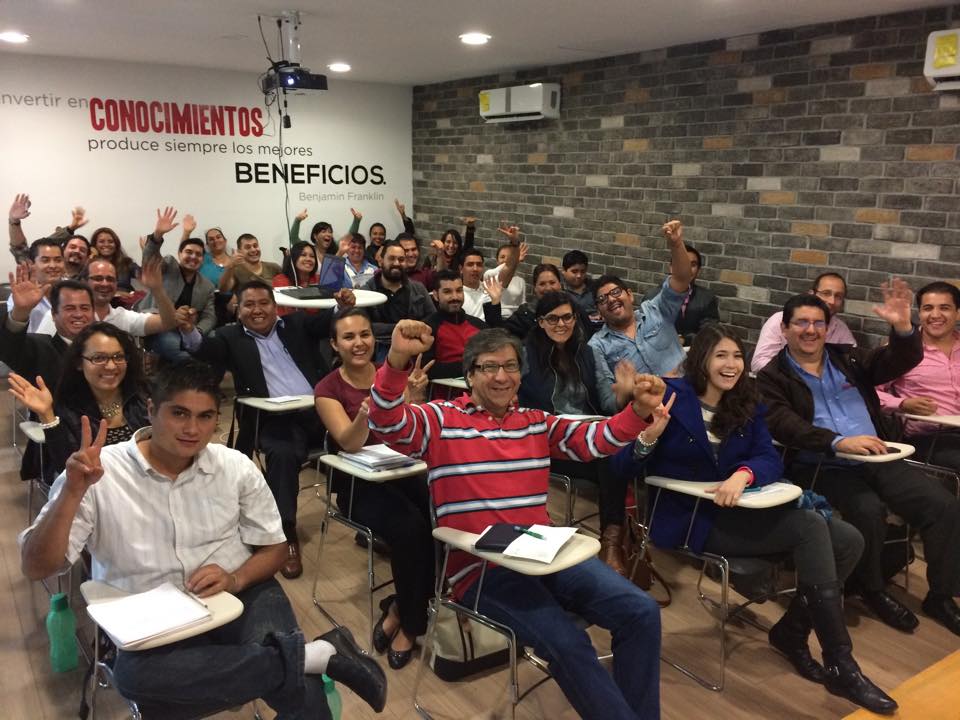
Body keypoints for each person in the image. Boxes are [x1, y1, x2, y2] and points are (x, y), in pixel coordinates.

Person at [18, 361, 387, 718]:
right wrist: (71, 494)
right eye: (179, 413)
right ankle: (316, 655)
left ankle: (292, 663)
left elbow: (275, 548)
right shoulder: (99, 470)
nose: (192, 429)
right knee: (135, 676)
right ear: (151, 410)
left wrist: (236, 578)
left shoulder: (235, 466)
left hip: (239, 592)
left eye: (205, 416)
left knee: (300, 690)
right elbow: (37, 567)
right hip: (146, 611)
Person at [368, 323, 663, 720]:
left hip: (544, 554)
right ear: (469, 375)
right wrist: (396, 361)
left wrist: (639, 410)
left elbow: (597, 440)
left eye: (510, 366)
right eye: (489, 367)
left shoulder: (536, 422)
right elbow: (386, 422)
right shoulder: (440, 419)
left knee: (642, 612)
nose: (501, 376)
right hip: (482, 569)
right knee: (568, 643)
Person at [611, 325, 895, 715]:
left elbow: (767, 458)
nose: (731, 365)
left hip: (745, 508)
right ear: (701, 360)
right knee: (811, 527)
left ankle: (792, 632)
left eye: (737, 357)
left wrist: (743, 474)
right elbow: (620, 468)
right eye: (721, 356)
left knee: (849, 540)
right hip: (695, 518)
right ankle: (841, 664)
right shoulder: (669, 397)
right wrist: (649, 433)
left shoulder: (747, 401)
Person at [757, 286, 960, 637]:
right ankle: (873, 589)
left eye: (818, 323)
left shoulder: (847, 359)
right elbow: (784, 424)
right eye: (801, 322)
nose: (810, 330)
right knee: (867, 509)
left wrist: (903, 329)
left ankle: (940, 595)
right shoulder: (772, 376)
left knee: (942, 505)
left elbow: (895, 362)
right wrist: (837, 441)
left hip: (877, 456)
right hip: (823, 464)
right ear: (785, 329)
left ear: (827, 328)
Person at [183, 281, 354, 579]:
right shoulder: (229, 337)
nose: (257, 310)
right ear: (237, 309)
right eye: (249, 304)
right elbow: (205, 350)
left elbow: (326, 323)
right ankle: (285, 534)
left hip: (320, 411)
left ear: (275, 306)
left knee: (358, 438)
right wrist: (188, 330)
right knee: (282, 453)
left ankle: (362, 515)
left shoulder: (295, 324)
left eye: (264, 303)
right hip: (274, 419)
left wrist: (341, 306)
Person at [314, 309, 435, 670]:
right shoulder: (327, 389)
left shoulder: (393, 374)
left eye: (365, 334)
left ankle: (399, 606)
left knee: (439, 516)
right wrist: (368, 412)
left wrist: (415, 398)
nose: (359, 343)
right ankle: (412, 625)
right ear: (335, 344)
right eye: (348, 337)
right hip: (358, 486)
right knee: (410, 528)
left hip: (403, 472)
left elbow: (411, 433)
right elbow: (349, 443)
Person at [519, 291, 628, 572]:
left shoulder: (587, 352)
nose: (561, 324)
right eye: (553, 318)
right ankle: (614, 539)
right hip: (548, 442)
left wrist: (624, 394)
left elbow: (606, 401)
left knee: (616, 453)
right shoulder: (525, 354)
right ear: (541, 322)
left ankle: (613, 538)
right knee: (611, 457)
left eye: (567, 317)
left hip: (586, 437)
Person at [7, 322, 150, 484]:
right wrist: (47, 415)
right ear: (79, 363)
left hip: (145, 482)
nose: (111, 366)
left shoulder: (144, 395)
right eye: (99, 358)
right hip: (96, 488)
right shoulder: (69, 404)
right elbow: (66, 468)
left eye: (118, 357)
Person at [589, 219, 692, 412]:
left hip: (688, 395)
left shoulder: (655, 310)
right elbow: (608, 403)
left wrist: (676, 244)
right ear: (599, 312)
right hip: (648, 414)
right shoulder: (598, 346)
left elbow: (682, 278)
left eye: (615, 292)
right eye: (602, 299)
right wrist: (626, 391)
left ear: (630, 294)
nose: (610, 300)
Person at [876, 281, 960, 469]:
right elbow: (866, 391)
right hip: (926, 437)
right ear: (920, 313)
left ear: (958, 313)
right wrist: (902, 403)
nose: (935, 315)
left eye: (944, 308)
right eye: (928, 308)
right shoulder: (902, 350)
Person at [140, 207, 217, 362]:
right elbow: (150, 259)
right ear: (180, 254)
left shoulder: (207, 286)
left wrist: (196, 331)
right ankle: (197, 368)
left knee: (214, 339)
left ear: (203, 260)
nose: (193, 257)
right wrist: (157, 235)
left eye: (198, 254)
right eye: (189, 252)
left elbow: (210, 316)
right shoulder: (169, 264)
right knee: (172, 344)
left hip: (189, 329)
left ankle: (199, 365)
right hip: (160, 324)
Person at [35, 257, 176, 338]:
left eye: (110, 279)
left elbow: (168, 322)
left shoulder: (122, 317)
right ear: (84, 282)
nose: (105, 284)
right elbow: (40, 351)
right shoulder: (61, 315)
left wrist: (157, 289)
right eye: (98, 278)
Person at [751, 272, 855, 373]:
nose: (832, 301)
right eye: (826, 293)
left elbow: (854, 365)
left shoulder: (841, 329)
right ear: (812, 294)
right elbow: (759, 363)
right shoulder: (779, 320)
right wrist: (801, 376)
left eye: (838, 296)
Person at [422, 270, 499, 387]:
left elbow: (498, 351)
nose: (455, 297)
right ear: (436, 296)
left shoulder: (478, 325)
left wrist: (495, 303)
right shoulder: (427, 327)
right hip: (444, 394)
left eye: (459, 290)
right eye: (447, 292)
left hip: (481, 391)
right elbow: (428, 369)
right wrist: (473, 365)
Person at [363, 240, 436, 348]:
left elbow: (433, 319)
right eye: (391, 258)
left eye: (401, 259)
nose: (396, 263)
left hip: (415, 347)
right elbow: (363, 326)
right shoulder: (367, 292)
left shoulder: (418, 289)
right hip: (378, 348)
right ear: (381, 261)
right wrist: (402, 327)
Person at [643, 243, 719, 346]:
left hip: (694, 352)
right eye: (681, 263)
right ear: (671, 267)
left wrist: (684, 340)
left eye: (692, 265)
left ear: (698, 270)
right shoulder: (652, 297)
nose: (686, 269)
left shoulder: (707, 298)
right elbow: (645, 332)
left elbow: (710, 334)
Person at [500, 263, 595, 340]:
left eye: (552, 283)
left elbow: (588, 336)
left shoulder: (574, 309)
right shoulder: (525, 314)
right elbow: (503, 335)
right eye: (542, 284)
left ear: (560, 285)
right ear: (535, 288)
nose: (548, 288)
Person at [4, 237, 65, 333]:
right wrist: (22, 311)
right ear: (31, 264)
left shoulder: (73, 290)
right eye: (45, 260)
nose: (53, 265)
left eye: (58, 260)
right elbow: (12, 334)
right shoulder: (22, 295)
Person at [273, 241, 321, 316]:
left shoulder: (319, 279)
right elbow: (288, 310)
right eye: (303, 255)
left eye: (312, 256)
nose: (308, 259)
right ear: (293, 258)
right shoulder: (280, 280)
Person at [89, 226, 140, 295]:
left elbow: (145, 275)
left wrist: (147, 253)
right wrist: (91, 258)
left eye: (110, 242)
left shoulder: (126, 263)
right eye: (101, 241)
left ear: (116, 245)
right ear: (94, 245)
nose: (106, 244)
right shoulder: (89, 264)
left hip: (124, 299)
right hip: (99, 299)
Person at [562, 249, 598, 320]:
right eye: (574, 271)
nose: (579, 275)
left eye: (582, 271)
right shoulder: (559, 290)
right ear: (563, 270)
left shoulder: (595, 288)